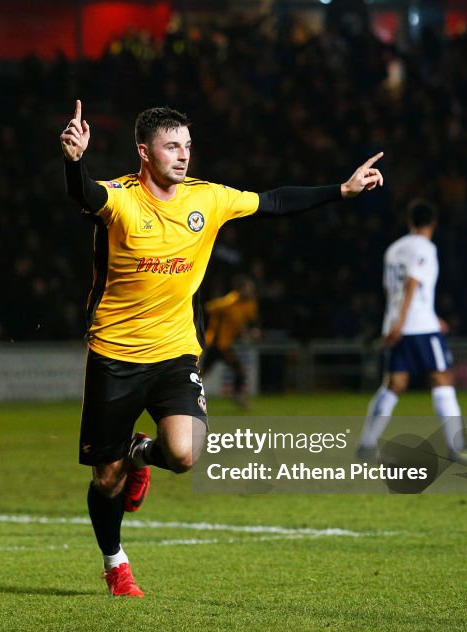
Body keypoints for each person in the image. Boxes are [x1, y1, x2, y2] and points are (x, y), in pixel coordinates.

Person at [60, 101, 384, 597]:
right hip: (115, 353)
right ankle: (115, 563)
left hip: (175, 351)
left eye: (188, 146)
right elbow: (84, 196)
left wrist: (341, 190)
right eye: (172, 146)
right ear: (144, 153)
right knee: (106, 480)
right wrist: (74, 161)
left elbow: (273, 201)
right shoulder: (120, 200)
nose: (184, 155)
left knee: (184, 454)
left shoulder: (207, 199)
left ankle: (139, 456)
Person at [357, 199, 467, 463]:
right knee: (442, 379)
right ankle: (457, 446)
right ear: (433, 223)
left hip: (400, 322)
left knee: (394, 384)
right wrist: (406, 320)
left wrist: (399, 320)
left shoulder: (393, 249)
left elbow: (391, 291)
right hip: (416, 326)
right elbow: (412, 284)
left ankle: (366, 446)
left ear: (409, 222)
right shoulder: (425, 248)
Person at [200, 276, 260, 408]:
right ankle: (237, 396)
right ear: (239, 290)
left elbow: (249, 321)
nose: (250, 291)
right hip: (218, 343)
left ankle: (190, 395)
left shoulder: (249, 304)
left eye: (251, 289)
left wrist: (251, 331)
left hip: (225, 344)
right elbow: (209, 307)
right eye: (247, 289)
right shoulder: (229, 302)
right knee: (238, 369)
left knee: (203, 372)